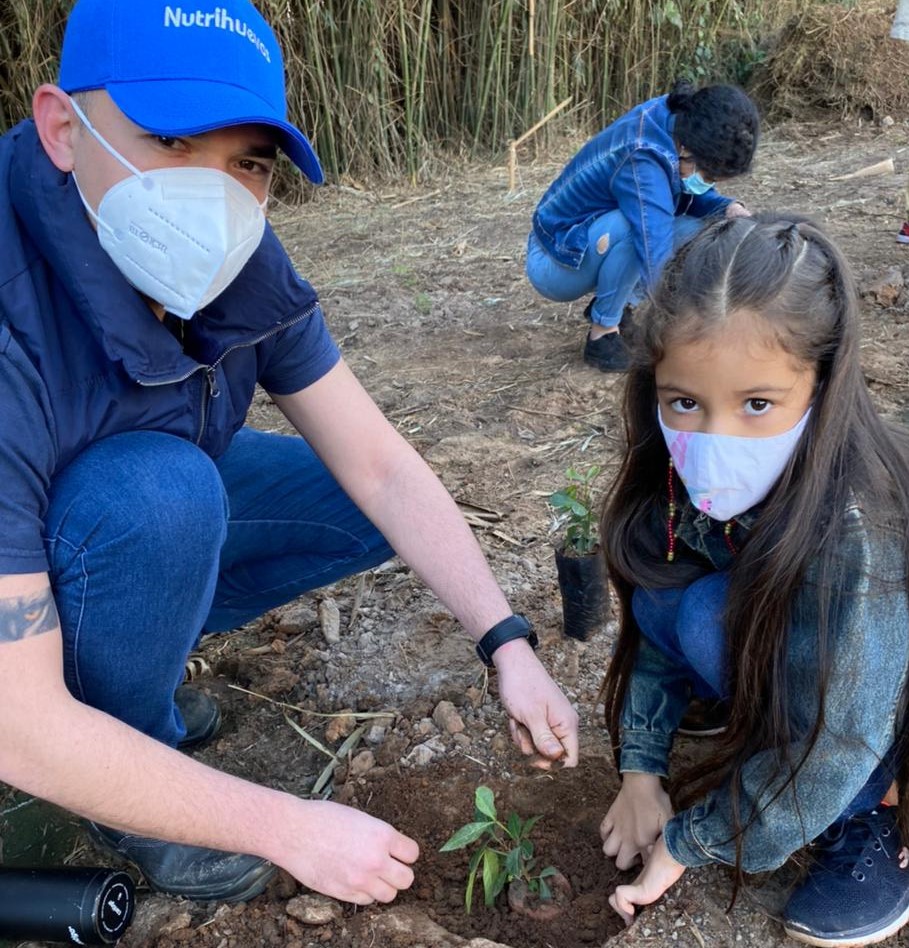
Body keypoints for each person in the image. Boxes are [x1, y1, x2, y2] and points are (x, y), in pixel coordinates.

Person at [0, 0, 579, 907]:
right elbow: (15, 724)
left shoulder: (236, 259)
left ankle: (130, 662)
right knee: (162, 496)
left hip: (120, 507)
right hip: (67, 553)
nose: (210, 193)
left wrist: (506, 642)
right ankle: (130, 755)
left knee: (353, 507)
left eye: (248, 163)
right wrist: (286, 826)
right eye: (170, 142)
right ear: (62, 128)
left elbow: (380, 466)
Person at [597, 213, 909, 946]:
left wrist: (689, 842)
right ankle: (758, 718)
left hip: (881, 690)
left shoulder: (856, 528)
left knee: (721, 625)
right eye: (684, 402)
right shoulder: (673, 480)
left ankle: (868, 807)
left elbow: (844, 728)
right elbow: (653, 616)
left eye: (758, 404)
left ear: (822, 385)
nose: (715, 440)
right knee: (675, 599)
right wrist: (640, 770)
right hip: (817, 659)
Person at [525, 80, 759, 373]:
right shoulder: (642, 156)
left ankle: (618, 306)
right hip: (555, 261)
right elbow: (654, 245)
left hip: (589, 241)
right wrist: (692, 328)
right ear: (688, 149)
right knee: (633, 226)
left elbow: (687, 196)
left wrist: (728, 208)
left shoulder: (678, 122)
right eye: (709, 177)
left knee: (698, 226)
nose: (707, 184)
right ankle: (602, 335)